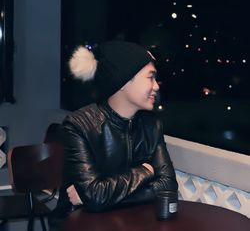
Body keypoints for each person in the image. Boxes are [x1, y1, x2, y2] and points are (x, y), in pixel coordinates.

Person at [55, 41, 178, 216]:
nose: (156, 86)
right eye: (150, 77)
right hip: (79, 222)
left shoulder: (151, 125)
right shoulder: (79, 125)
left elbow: (168, 186)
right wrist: (145, 171)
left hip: (126, 220)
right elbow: (95, 196)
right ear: (123, 81)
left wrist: (99, 198)